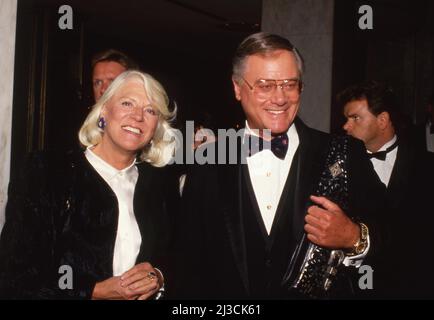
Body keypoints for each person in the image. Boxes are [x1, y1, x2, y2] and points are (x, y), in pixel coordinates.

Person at [172, 32, 386, 299]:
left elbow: (396, 234)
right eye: (264, 85)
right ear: (238, 88)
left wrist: (354, 237)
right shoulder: (208, 160)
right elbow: (188, 265)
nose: (280, 98)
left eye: (290, 84)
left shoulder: (345, 153)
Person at [0, 70, 176, 299]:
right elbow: (14, 277)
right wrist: (95, 291)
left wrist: (159, 276)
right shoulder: (47, 173)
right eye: (127, 103)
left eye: (150, 110)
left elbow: (182, 256)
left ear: (156, 127)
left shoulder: (160, 186)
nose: (138, 116)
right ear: (103, 111)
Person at [339, 81, 434, 298]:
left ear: (382, 120)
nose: (346, 126)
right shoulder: (338, 165)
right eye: (346, 118)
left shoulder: (427, 167)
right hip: (357, 286)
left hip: (413, 285)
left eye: (355, 118)